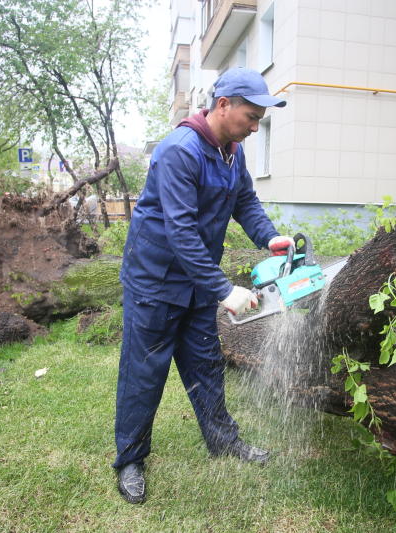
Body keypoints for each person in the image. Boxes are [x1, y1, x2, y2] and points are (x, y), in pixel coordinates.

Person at [114, 67, 294, 504]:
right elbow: (180, 230)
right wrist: (223, 288)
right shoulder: (180, 149)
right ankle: (131, 459)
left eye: (259, 121)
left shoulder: (233, 151)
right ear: (223, 105)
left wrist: (268, 237)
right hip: (154, 282)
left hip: (195, 283)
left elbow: (245, 201)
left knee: (205, 364)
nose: (254, 127)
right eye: (250, 117)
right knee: (145, 372)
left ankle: (222, 440)